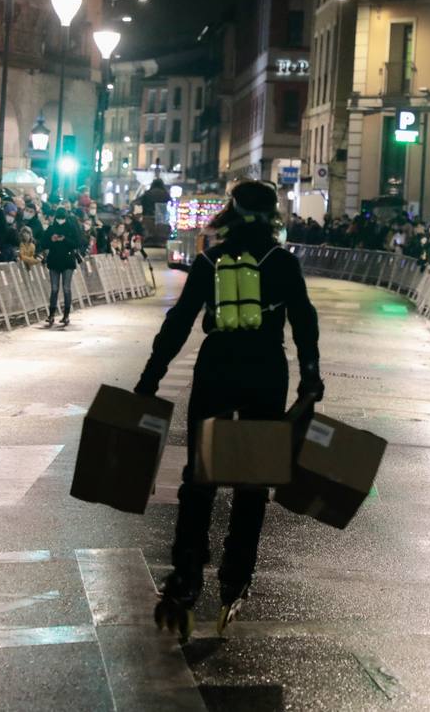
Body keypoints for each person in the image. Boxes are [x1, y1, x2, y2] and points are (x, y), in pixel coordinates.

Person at [134, 181, 322, 639]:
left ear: (230, 214)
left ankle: (185, 577)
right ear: (274, 215)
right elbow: (303, 319)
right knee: (252, 482)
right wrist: (311, 376)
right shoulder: (282, 262)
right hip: (265, 370)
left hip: (217, 367)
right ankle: (235, 579)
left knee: (199, 479)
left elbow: (178, 322)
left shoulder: (210, 260)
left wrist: (150, 378)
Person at [40, 206, 83, 326]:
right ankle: (51, 314)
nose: (60, 220)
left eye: (62, 218)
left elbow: (77, 243)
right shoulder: (51, 228)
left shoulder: (71, 228)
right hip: (54, 261)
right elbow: (43, 243)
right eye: (58, 218)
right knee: (54, 289)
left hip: (67, 261)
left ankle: (66, 315)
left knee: (66, 288)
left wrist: (65, 239)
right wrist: (51, 240)